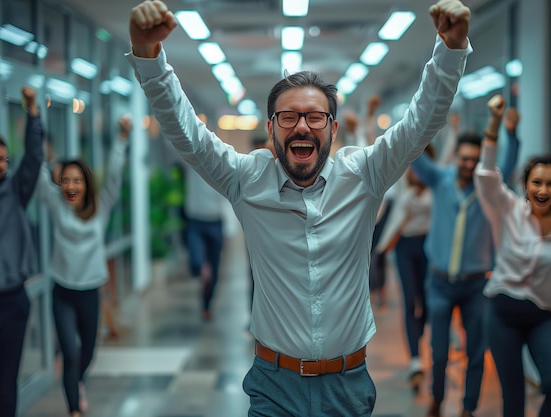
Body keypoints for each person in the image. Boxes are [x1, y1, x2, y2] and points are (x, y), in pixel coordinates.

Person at [126, 0, 471, 414]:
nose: (302, 126)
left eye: (315, 117)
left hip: (347, 386)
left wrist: (449, 51)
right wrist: (150, 60)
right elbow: (187, 135)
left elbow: (421, 123)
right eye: (288, 117)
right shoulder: (246, 180)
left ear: (333, 129)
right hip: (275, 386)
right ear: (271, 130)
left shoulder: (365, 175)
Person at [475, 95, 551, 417]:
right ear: (526, 185)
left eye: (550, 184)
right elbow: (485, 177)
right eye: (537, 182)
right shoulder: (507, 210)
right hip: (502, 312)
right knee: (514, 399)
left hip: (545, 315)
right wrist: (494, 125)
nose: (543, 190)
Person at [410, 97, 520, 416]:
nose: (470, 164)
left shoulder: (488, 189)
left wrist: (511, 134)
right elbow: (415, 157)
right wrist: (420, 120)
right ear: (456, 157)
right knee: (440, 351)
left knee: (476, 350)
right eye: (465, 158)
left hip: (475, 286)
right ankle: (437, 398)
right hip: (440, 283)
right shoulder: (439, 180)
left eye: (475, 159)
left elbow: (509, 166)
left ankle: (468, 407)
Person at [35, 116, 131, 417]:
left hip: (90, 291)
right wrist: (35, 128)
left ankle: (78, 383)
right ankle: (74, 409)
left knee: (87, 353)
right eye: (65, 180)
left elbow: (114, 176)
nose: (71, 186)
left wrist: (122, 138)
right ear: (60, 184)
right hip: (62, 290)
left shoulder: (99, 209)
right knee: (71, 352)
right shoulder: (55, 203)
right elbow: (37, 174)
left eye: (77, 180)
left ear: (85, 183)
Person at [0, 87, 44, 417]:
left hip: (9, 303)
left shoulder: (16, 192)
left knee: (6, 386)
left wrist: (33, 112)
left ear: (6, 163)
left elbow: (34, 156)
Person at [376, 145, 435, 393]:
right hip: (405, 249)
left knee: (429, 305)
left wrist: (452, 132)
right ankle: (415, 359)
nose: (416, 170)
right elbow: (380, 156)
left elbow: (445, 156)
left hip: (429, 248)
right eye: (413, 165)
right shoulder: (402, 185)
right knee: (411, 301)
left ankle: (418, 338)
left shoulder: (436, 184)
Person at [184, 163, 229, 320]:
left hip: (215, 221)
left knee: (214, 269)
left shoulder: (219, 164)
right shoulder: (191, 160)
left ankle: (206, 305)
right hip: (195, 221)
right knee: (198, 262)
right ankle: (203, 269)